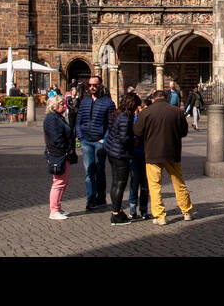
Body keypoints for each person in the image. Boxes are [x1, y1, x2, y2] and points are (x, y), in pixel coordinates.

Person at [132, 90, 193, 226]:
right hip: (172, 152)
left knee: (155, 186)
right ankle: (187, 211)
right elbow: (183, 132)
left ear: (153, 99)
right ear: (166, 98)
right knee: (179, 183)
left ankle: (160, 216)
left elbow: (137, 131)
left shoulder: (146, 112)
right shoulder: (177, 112)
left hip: (152, 153)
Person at [75, 76, 116, 211]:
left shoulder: (108, 103)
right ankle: (90, 199)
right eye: (90, 85)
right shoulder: (84, 101)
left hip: (99, 142)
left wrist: (104, 139)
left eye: (94, 85)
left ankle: (101, 197)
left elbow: (111, 124)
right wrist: (80, 136)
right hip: (86, 140)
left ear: (100, 86)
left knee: (99, 171)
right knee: (88, 171)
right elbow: (78, 120)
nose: (92, 87)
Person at [103, 92, 140, 225]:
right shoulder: (125, 117)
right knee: (120, 183)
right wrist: (133, 141)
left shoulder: (117, 113)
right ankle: (115, 214)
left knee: (115, 183)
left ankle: (117, 210)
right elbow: (124, 138)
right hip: (120, 153)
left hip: (112, 151)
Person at [43, 94, 74, 220]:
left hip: (61, 153)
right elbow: (57, 138)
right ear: (54, 106)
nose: (63, 106)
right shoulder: (51, 119)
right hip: (57, 154)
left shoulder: (57, 117)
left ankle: (57, 206)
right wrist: (67, 149)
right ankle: (54, 210)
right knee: (58, 182)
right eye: (61, 104)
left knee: (63, 181)